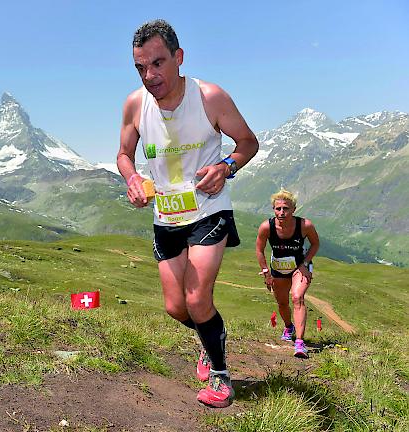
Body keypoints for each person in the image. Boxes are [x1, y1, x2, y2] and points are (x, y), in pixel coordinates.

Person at [117, 19, 259, 408]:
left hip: (209, 209)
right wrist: (131, 179)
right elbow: (123, 155)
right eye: (141, 67)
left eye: (158, 63)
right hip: (166, 217)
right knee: (176, 307)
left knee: (197, 299)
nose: (150, 75)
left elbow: (248, 142)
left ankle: (221, 375)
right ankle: (208, 338)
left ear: (179, 58)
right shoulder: (135, 105)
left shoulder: (210, 97)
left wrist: (226, 166)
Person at [255, 189, 320, 358]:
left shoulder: (305, 225)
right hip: (278, 268)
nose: (282, 212)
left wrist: (305, 263)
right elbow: (259, 250)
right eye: (278, 209)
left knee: (297, 297)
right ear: (273, 209)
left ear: (294, 209)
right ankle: (288, 326)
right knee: (282, 303)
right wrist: (266, 273)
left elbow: (315, 244)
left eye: (286, 208)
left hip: (300, 266)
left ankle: (299, 342)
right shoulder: (266, 226)